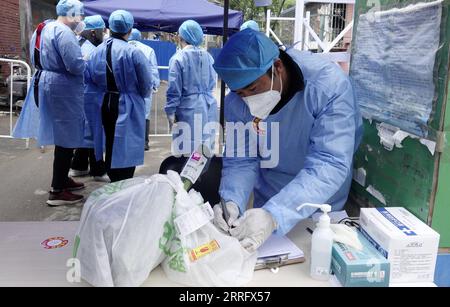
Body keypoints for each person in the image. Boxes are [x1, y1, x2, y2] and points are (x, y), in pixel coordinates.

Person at [212, 29, 363, 253]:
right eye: (240, 92)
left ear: (277, 67)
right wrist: (232, 201)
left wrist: (276, 213)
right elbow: (241, 160)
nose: (249, 100)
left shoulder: (328, 87)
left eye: (253, 89)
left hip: (319, 206)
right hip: (268, 200)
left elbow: (329, 162)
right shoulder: (236, 104)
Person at [13, 0, 87, 206]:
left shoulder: (43, 27)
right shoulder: (63, 32)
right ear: (71, 13)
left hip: (46, 81)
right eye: (80, 14)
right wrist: (85, 61)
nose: (81, 19)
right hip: (62, 87)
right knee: (67, 136)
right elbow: (74, 65)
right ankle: (57, 190)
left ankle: (62, 178)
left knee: (63, 134)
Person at [84, 10, 152, 182]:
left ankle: (113, 179)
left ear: (110, 28)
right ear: (129, 29)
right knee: (127, 143)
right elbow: (145, 83)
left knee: (110, 141)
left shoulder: (96, 51)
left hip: (104, 100)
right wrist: (139, 96)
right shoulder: (133, 52)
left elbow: (89, 78)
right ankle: (124, 181)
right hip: (128, 101)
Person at [164, 20, 218, 156]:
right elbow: (213, 81)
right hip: (208, 106)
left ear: (180, 37)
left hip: (187, 109)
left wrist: (170, 112)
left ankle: (187, 177)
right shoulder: (209, 57)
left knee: (186, 149)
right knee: (205, 146)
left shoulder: (178, 58)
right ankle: (202, 175)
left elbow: (174, 90)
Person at [69, 14, 108, 182]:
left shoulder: (83, 45)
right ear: (93, 32)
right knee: (93, 131)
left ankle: (79, 166)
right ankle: (97, 169)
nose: (104, 33)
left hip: (84, 94)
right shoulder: (89, 49)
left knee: (87, 131)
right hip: (90, 95)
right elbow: (98, 74)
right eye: (101, 31)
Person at [128, 28, 160, 151]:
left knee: (127, 114)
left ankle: (128, 141)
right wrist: (155, 85)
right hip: (143, 88)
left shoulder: (120, 47)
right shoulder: (148, 50)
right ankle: (144, 142)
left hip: (125, 89)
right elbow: (153, 70)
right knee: (144, 114)